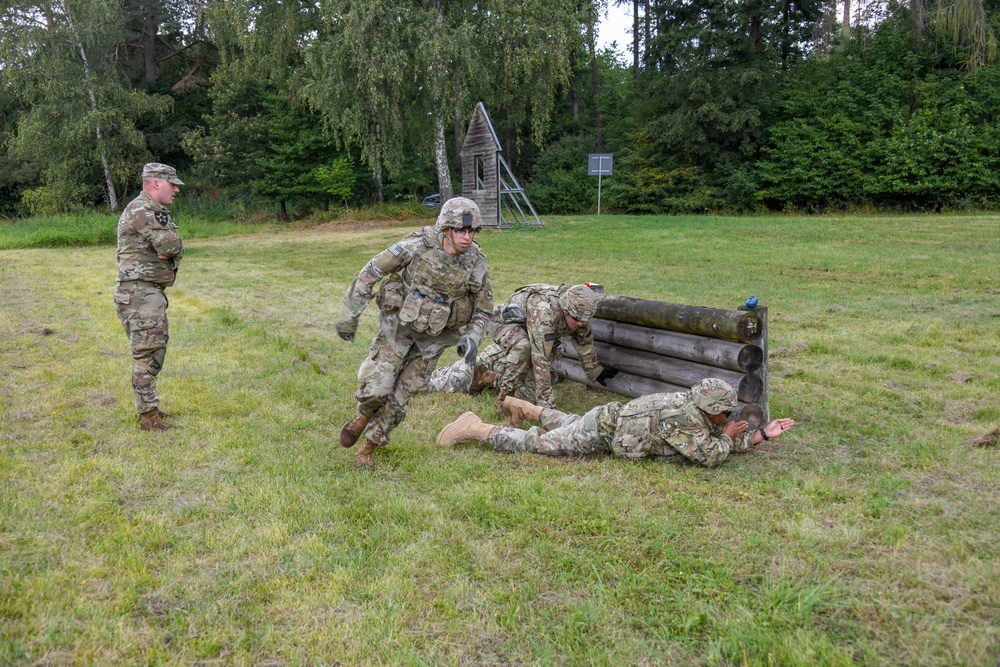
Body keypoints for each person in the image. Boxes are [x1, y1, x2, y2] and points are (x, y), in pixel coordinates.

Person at [336, 196, 495, 468]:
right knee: (379, 388)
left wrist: (472, 338)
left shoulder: (476, 263)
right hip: (398, 328)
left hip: (432, 341)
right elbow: (370, 272)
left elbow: (485, 310)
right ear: (446, 229)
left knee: (399, 401)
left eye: (471, 231)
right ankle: (362, 415)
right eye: (460, 230)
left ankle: (367, 450)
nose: (467, 237)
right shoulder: (416, 247)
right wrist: (349, 317)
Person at [436, 378, 795, 468]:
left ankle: (522, 406)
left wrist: (762, 434)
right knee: (542, 445)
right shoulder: (683, 418)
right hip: (606, 431)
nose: (728, 419)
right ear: (709, 409)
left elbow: (716, 438)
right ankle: (476, 428)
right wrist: (729, 439)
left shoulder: (693, 409)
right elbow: (711, 455)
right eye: (725, 414)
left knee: (570, 423)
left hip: (609, 421)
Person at [426, 283, 618, 408]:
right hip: (507, 326)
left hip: (527, 337)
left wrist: (596, 373)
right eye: (575, 319)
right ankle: (484, 374)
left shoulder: (578, 315)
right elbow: (540, 357)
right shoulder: (544, 312)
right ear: (565, 308)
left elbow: (584, 343)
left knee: (530, 393)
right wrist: (546, 409)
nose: (579, 324)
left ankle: (487, 375)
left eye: (583, 321)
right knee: (524, 349)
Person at [114, 163, 185, 430]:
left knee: (154, 349)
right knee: (148, 354)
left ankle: (150, 408)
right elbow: (170, 244)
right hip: (140, 293)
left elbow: (171, 247)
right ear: (156, 183)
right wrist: (173, 249)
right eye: (172, 183)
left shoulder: (152, 210)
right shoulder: (144, 209)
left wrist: (172, 250)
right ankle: (147, 417)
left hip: (144, 291)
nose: (176, 189)